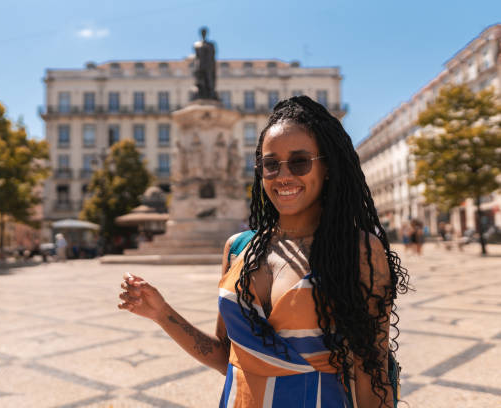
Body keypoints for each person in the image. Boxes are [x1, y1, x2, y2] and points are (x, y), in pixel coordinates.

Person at [119, 96, 409, 407]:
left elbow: (371, 373)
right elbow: (225, 357)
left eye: (299, 161)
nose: (283, 176)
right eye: (270, 164)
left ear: (327, 167)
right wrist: (162, 314)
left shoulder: (357, 250)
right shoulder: (239, 249)